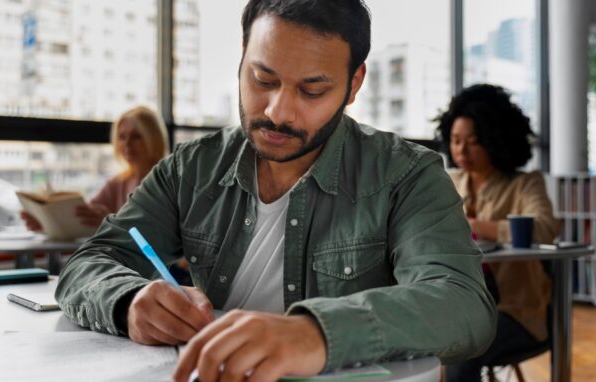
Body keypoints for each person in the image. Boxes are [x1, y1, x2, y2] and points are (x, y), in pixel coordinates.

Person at [56, 1, 497, 381]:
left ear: (354, 83)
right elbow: (92, 262)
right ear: (242, 57)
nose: (277, 111)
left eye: (312, 90)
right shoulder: (191, 168)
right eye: (262, 80)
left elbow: (462, 303)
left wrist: (315, 333)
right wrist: (129, 300)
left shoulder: (406, 174)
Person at [434, 84, 560, 382]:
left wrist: (473, 226)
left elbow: (544, 228)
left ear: (496, 139)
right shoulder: (446, 181)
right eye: (455, 140)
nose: (461, 151)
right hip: (455, 304)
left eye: (473, 141)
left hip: (515, 311)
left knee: (462, 350)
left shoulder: (525, 184)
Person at [20, 105, 169, 231]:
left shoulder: (168, 183)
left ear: (154, 139)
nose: (127, 144)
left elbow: (162, 237)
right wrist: (46, 223)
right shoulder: (117, 184)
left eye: (136, 137)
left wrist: (112, 224)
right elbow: (84, 218)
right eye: (122, 137)